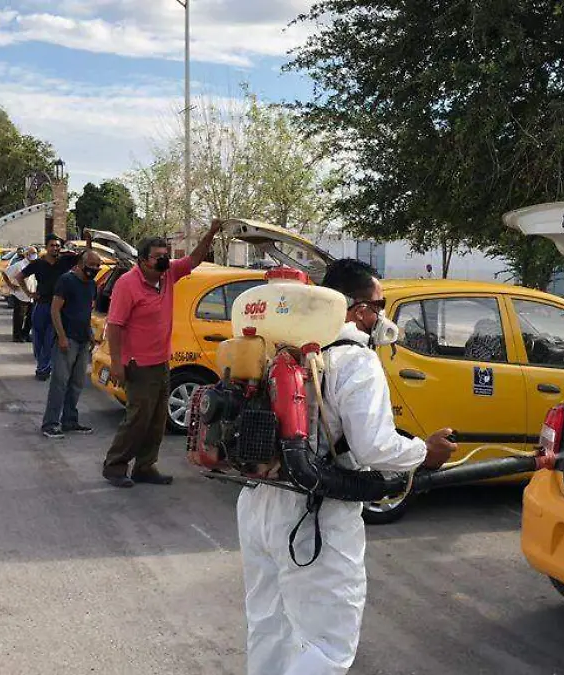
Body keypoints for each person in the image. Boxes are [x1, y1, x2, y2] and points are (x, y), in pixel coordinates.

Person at [237, 258, 455, 675]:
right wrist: (423, 453)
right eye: (379, 304)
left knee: (269, 627)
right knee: (329, 645)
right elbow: (373, 447)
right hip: (312, 516)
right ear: (357, 309)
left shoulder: (276, 346)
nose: (381, 315)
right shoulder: (354, 358)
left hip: (258, 501)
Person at [100, 221, 223, 488]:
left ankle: (145, 467)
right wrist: (118, 363)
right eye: (158, 257)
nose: (165, 260)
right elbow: (116, 326)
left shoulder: (168, 275)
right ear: (143, 261)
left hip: (160, 362)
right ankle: (115, 466)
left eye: (166, 255)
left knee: (157, 421)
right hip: (137, 364)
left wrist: (211, 233)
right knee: (137, 420)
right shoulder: (127, 284)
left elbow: (194, 259)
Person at [40, 250, 102, 438]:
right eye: (92, 265)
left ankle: (69, 420)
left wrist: (90, 334)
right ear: (81, 263)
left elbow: (86, 311)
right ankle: (50, 424)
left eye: (97, 266)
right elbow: (55, 310)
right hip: (68, 340)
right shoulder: (66, 281)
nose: (95, 269)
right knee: (60, 382)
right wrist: (62, 336)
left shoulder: (91, 284)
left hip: (83, 340)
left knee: (76, 383)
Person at [16, 235, 79, 380]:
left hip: (58, 307)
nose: (55, 248)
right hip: (42, 305)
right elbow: (20, 276)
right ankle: (42, 364)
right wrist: (29, 293)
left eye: (57, 245)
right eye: (52, 245)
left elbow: (85, 256)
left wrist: (86, 241)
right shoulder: (38, 263)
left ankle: (43, 369)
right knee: (38, 337)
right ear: (46, 247)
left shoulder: (65, 261)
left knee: (50, 339)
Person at [5, 246, 37, 343]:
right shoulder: (19, 265)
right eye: (32, 253)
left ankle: (25, 334)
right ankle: (17, 336)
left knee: (31, 317)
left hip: (32, 295)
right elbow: (5, 274)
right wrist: (11, 285)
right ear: (26, 254)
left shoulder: (35, 265)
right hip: (20, 295)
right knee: (19, 317)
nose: (34, 255)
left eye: (35, 253)